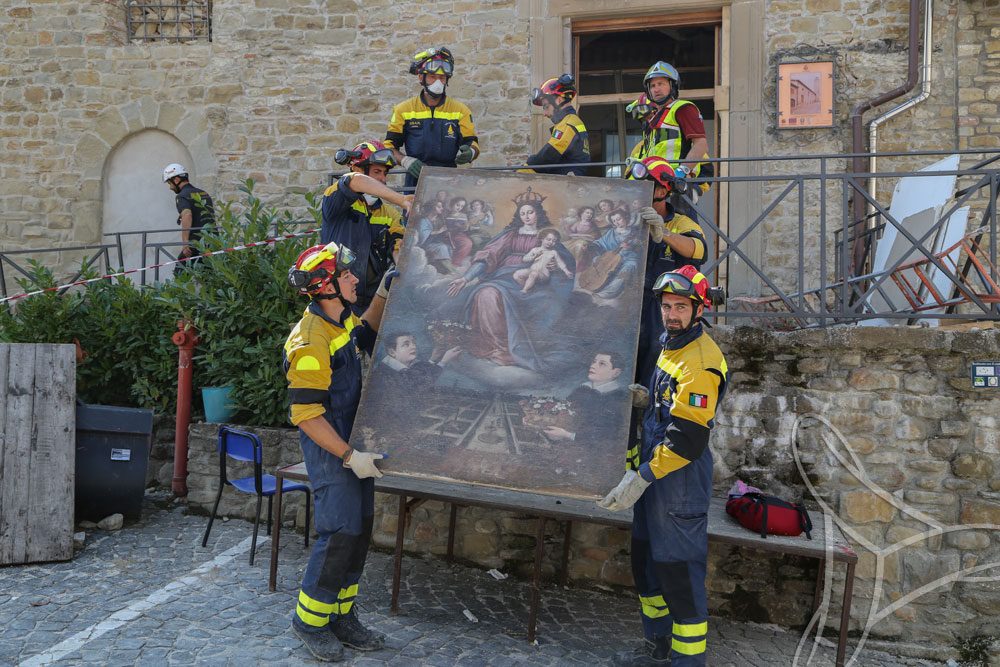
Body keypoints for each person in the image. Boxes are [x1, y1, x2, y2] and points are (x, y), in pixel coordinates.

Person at [598, 266, 729, 667]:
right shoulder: (672, 345)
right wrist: (646, 399)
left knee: (678, 575)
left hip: (678, 481)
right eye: (666, 306)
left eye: (680, 307)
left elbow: (687, 440)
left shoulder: (702, 361)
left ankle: (688, 662)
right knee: (646, 564)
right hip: (653, 477)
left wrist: (642, 477)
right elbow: (666, 411)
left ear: (699, 309)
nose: (671, 314)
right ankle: (656, 647)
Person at [282, 241, 397, 662]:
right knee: (340, 532)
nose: (354, 279)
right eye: (346, 275)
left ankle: (342, 614)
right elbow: (306, 414)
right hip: (332, 448)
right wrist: (349, 457)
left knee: (360, 528)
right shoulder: (309, 340)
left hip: (354, 441)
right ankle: (310, 621)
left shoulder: (340, 319)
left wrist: (385, 290)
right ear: (325, 287)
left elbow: (365, 333)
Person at [443, 188, 575, 372]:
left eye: (530, 212)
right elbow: (488, 255)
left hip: (533, 278)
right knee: (485, 293)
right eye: (522, 213)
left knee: (547, 302)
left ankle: (518, 350)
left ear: (538, 213)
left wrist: (553, 266)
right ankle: (500, 349)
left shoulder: (547, 236)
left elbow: (563, 259)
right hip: (504, 276)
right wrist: (466, 278)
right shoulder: (511, 234)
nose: (526, 216)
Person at [628, 155, 708, 384]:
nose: (638, 191)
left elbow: (699, 250)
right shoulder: (624, 217)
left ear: (662, 192)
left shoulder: (681, 224)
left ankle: (648, 404)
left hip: (660, 304)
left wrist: (664, 233)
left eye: (646, 186)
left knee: (655, 346)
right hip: (626, 300)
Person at [320, 140, 412, 311]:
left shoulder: (390, 213)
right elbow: (354, 181)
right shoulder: (335, 198)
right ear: (357, 168)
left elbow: (397, 247)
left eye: (385, 174)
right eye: (377, 172)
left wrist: (402, 274)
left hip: (372, 303)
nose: (382, 179)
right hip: (336, 299)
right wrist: (403, 200)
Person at [384, 47, 480, 191]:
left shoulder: (460, 110)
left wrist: (470, 152)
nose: (437, 82)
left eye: (442, 78)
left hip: (450, 178)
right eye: (432, 77)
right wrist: (406, 161)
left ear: (447, 79)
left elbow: (472, 143)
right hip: (416, 176)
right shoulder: (403, 109)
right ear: (421, 77)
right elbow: (389, 146)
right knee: (413, 213)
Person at [638, 62, 714, 217]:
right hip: (655, 187)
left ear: (672, 86)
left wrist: (681, 172)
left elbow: (701, 145)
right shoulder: (652, 121)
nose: (656, 89)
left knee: (684, 234)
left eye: (661, 83)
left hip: (676, 185)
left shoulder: (683, 108)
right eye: (652, 86)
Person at [542, 351, 629, 444]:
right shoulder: (582, 389)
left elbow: (608, 436)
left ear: (616, 372)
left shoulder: (619, 398)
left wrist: (567, 435)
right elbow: (565, 413)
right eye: (594, 362)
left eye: (602, 364)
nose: (593, 366)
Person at [522, 74, 590, 176]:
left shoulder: (567, 124)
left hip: (566, 185)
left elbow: (548, 156)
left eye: (546, 106)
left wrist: (522, 171)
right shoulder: (572, 121)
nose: (545, 114)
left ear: (559, 100)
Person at [368, 332, 463, 405]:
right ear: (392, 352)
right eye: (406, 344)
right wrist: (443, 361)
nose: (413, 346)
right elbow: (417, 385)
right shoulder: (384, 373)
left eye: (413, 343)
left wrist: (433, 359)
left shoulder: (407, 364)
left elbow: (418, 374)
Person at [163, 163, 214, 274]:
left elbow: (187, 214)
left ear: (176, 179)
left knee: (180, 273)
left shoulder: (182, 196)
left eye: (169, 182)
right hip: (212, 242)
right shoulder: (204, 193)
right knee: (209, 277)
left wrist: (185, 243)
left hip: (196, 244)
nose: (170, 187)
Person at [590, 209, 642, 299]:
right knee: (596, 259)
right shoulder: (611, 231)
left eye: (618, 219)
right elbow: (602, 241)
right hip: (612, 256)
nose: (616, 222)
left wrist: (629, 247)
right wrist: (594, 245)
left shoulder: (634, 232)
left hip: (628, 257)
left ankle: (608, 292)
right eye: (614, 221)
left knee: (631, 265)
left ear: (625, 218)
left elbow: (641, 248)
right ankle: (596, 284)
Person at [513, 229, 574, 294]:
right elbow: (524, 259)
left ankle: (525, 289)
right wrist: (533, 257)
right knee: (516, 275)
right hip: (531, 270)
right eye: (548, 239)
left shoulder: (553, 252)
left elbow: (560, 262)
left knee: (534, 274)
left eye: (554, 241)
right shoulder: (535, 250)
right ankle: (531, 287)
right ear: (542, 238)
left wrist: (566, 271)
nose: (550, 242)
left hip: (544, 274)